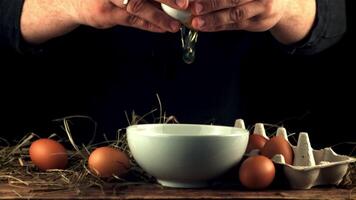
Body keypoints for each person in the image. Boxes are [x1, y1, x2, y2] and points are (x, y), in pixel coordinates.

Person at [0, 0, 347, 140]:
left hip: (233, 164)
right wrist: (65, 4)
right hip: (66, 159)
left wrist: (289, 6)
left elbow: (337, 15)